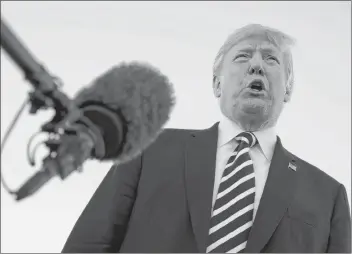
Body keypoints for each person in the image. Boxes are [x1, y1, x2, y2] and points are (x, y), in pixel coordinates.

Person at [62, 24, 351, 253]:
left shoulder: (329, 196)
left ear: (287, 90)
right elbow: (88, 246)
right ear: (216, 83)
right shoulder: (149, 149)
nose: (256, 65)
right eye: (242, 56)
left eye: (271, 59)